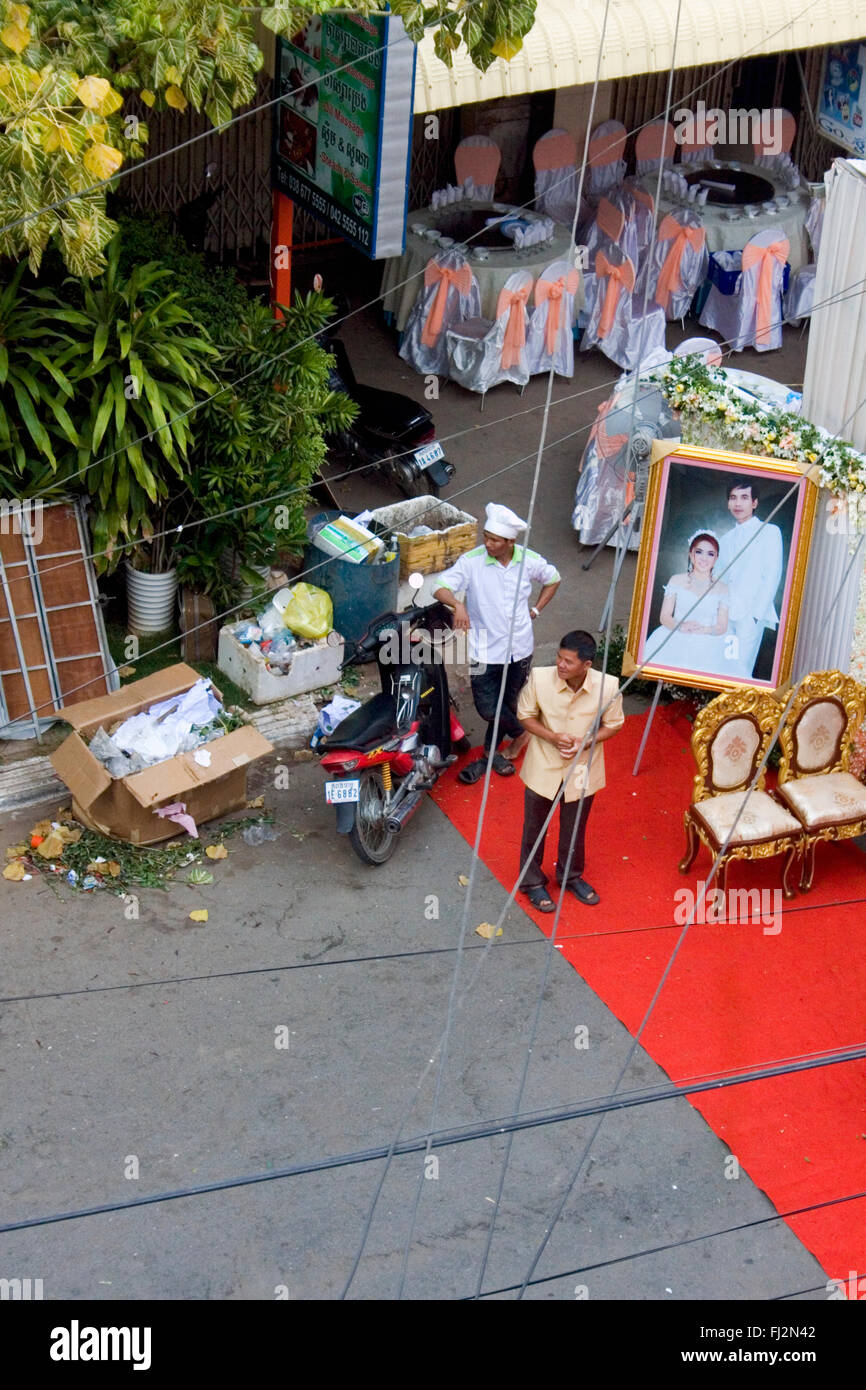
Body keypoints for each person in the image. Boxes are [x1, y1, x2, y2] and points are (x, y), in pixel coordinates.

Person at [434, 503, 561, 784]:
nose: (488, 543)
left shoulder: (528, 560)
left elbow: (553, 578)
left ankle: (492, 752)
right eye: (487, 537)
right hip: (484, 650)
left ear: (509, 542)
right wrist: (457, 604)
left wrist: (536, 609)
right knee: (488, 707)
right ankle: (525, 732)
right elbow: (439, 586)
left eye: (494, 540)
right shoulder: (472, 562)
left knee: (507, 702)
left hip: (520, 647)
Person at [515, 630, 623, 910]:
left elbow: (614, 724)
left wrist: (586, 742)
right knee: (534, 826)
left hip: (583, 767)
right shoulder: (539, 678)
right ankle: (532, 881)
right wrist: (551, 736)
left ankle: (570, 876)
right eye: (559, 658)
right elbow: (524, 714)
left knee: (575, 825)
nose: (561, 665)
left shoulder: (608, 686)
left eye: (568, 662)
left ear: (586, 665)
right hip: (543, 762)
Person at [716, 479, 784, 679]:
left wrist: (756, 615)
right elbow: (720, 578)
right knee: (724, 666)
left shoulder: (770, 532)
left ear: (754, 503)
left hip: (751, 614)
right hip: (726, 614)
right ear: (728, 503)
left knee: (741, 669)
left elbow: (772, 575)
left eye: (744, 498)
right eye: (733, 498)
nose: (738, 503)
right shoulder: (725, 539)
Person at [644, 531, 734, 677]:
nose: (704, 558)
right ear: (691, 554)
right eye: (699, 552)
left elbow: (722, 626)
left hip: (709, 640)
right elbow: (665, 616)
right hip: (676, 633)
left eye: (710, 554)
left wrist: (704, 630)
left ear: (716, 558)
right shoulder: (676, 580)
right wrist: (681, 626)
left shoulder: (722, 588)